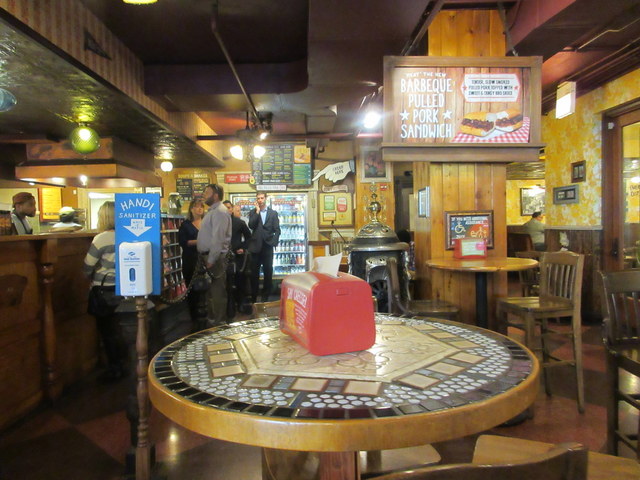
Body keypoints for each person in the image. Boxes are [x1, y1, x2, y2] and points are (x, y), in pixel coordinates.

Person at [82, 201, 124, 383]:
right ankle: (124, 364)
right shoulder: (126, 235)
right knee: (120, 329)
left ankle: (114, 368)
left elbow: (87, 266)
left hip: (104, 289)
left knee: (107, 331)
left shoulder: (101, 238)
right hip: (123, 288)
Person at [196, 184, 231, 326]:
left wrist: (211, 259)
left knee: (217, 292)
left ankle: (219, 323)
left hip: (215, 258)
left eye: (207, 192)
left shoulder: (220, 212)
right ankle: (212, 321)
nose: (204, 194)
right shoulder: (212, 211)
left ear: (215, 195)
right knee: (211, 292)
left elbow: (218, 238)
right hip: (208, 257)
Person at [248, 192, 280, 302]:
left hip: (267, 247)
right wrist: (257, 212)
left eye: (262, 198)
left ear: (265, 199)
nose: (260, 200)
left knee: (268, 272)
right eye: (258, 198)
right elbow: (251, 225)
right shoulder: (253, 212)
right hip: (255, 247)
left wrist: (273, 242)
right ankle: (253, 297)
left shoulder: (273, 213)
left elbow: (277, 230)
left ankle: (265, 297)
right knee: (254, 274)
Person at [178, 197, 205, 323]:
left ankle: (205, 314)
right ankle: (193, 316)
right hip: (190, 259)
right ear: (191, 209)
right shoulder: (185, 225)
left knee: (205, 289)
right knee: (192, 289)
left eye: (201, 206)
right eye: (197, 206)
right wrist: (198, 242)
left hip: (205, 258)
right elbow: (183, 242)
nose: (199, 209)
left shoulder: (206, 223)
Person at [230, 203, 252, 313]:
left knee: (239, 281)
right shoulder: (219, 222)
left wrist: (243, 248)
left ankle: (239, 304)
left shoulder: (239, 223)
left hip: (236, 256)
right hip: (224, 255)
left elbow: (249, 237)